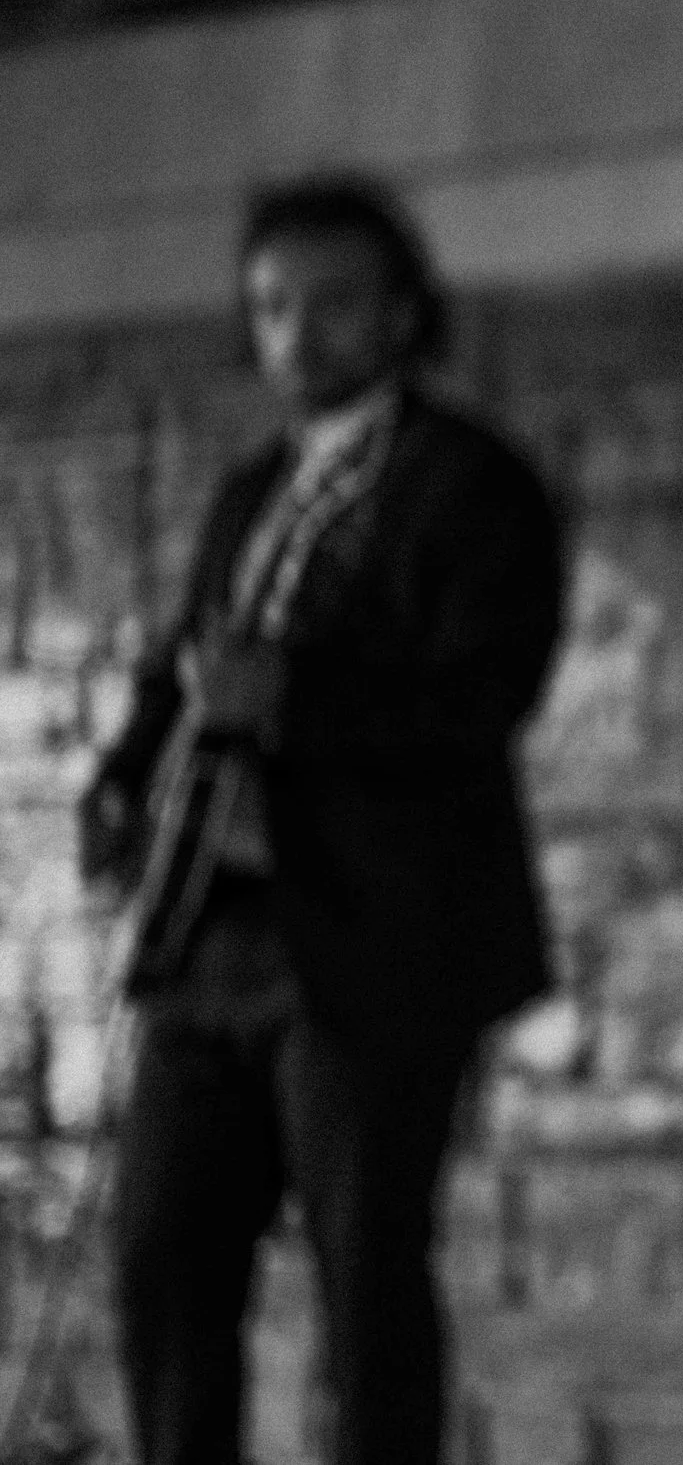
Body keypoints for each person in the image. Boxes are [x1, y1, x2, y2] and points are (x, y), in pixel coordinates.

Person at [78, 175, 565, 1465]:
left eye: (335, 302)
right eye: (274, 306)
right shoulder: (251, 490)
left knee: (365, 1284)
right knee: (160, 1257)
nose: (300, 333)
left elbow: (482, 696)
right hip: (212, 945)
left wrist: (292, 696)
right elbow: (185, 666)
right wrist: (122, 780)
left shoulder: (472, 485)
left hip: (375, 946)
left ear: (404, 311)